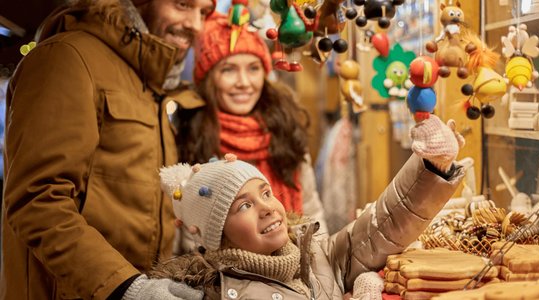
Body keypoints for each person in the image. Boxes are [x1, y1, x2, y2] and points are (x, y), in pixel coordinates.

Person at [0, 0, 216, 299]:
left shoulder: (147, 82)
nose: (196, 24)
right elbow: (37, 199)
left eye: (204, 12)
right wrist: (126, 286)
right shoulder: (67, 56)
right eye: (182, 4)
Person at [155, 109, 466, 298]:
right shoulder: (216, 293)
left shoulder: (318, 256)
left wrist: (431, 166)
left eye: (265, 193)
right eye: (243, 206)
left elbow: (380, 228)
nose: (266, 207)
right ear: (217, 237)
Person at [172, 11, 329, 240]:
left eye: (253, 68)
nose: (244, 83)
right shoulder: (189, 135)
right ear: (208, 78)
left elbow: (312, 213)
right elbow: (182, 235)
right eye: (229, 70)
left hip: (295, 264)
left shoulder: (284, 127)